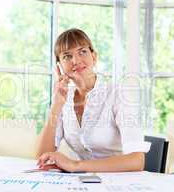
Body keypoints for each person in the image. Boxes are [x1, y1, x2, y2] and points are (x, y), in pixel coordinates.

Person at [36, 28, 150, 172]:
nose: (76, 60)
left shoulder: (119, 94)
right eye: (67, 56)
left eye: (82, 51)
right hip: (85, 181)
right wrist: (56, 106)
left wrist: (74, 166)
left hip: (121, 181)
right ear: (59, 66)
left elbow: (137, 161)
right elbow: (41, 157)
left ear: (94, 57)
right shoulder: (64, 99)